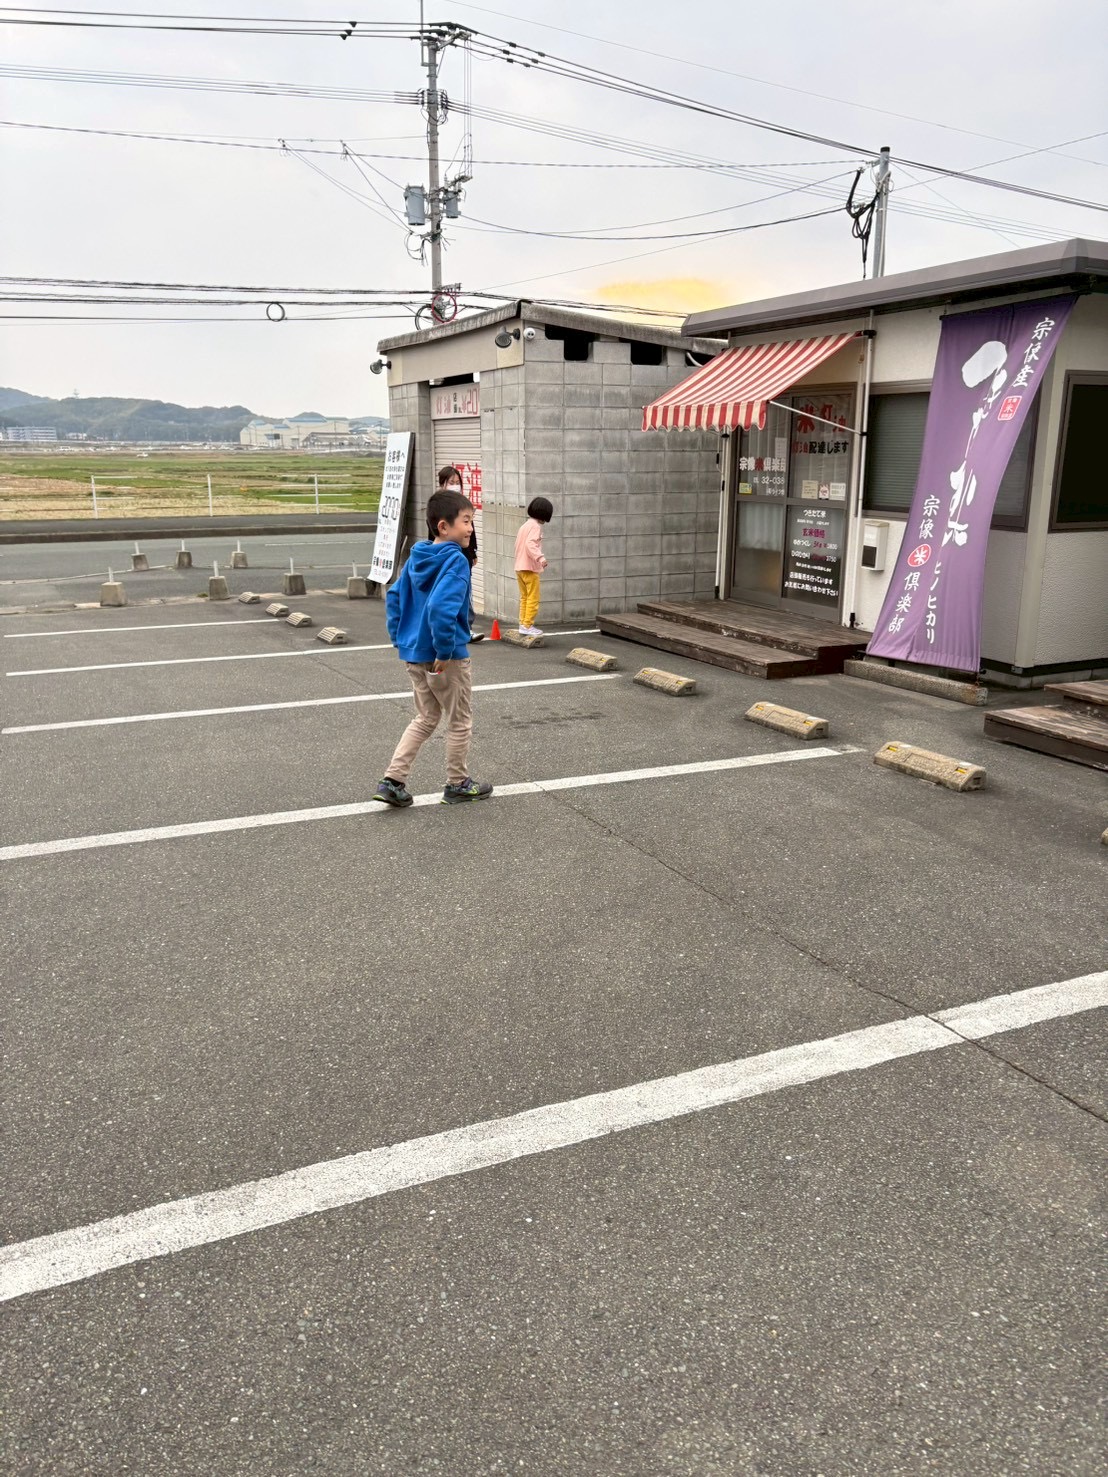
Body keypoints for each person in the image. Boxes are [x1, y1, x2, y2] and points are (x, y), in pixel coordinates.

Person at [373, 486, 493, 808]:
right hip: (446, 657)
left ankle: (392, 781)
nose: (471, 528)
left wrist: (400, 638)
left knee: (426, 718)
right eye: (466, 521)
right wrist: (444, 650)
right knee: (459, 720)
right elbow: (441, 607)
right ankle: (458, 783)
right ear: (443, 526)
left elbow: (394, 597)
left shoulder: (417, 556)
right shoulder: (455, 560)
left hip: (414, 653)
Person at [439, 465, 484, 642]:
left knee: (465, 593)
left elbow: (471, 530)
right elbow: (433, 534)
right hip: (446, 556)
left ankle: (466, 629)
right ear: (442, 483)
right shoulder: (437, 506)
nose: (455, 485)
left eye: (458, 482)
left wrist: (473, 552)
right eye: (451, 482)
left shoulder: (464, 504)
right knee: (448, 594)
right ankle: (450, 629)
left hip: (464, 557)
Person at [514, 496, 553, 637]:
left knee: (524, 597)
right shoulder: (535, 527)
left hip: (519, 567)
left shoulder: (525, 525)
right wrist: (540, 558)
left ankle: (523, 624)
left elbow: (519, 545)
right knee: (533, 598)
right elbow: (530, 544)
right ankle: (528, 625)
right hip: (530, 568)